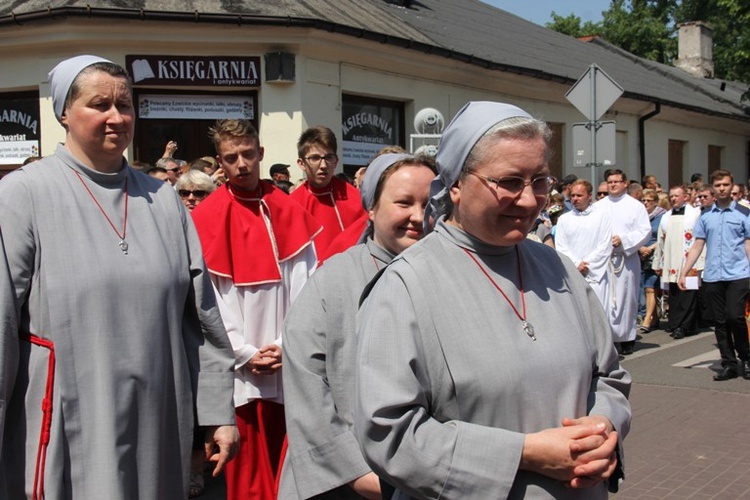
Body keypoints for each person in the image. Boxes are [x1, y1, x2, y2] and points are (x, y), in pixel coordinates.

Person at [354, 101, 631, 499]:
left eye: (539, 181)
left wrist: (605, 430)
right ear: (455, 185)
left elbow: (609, 377)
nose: (530, 200)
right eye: (509, 182)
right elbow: (388, 433)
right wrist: (524, 454)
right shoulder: (405, 286)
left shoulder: (560, 269)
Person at [0, 55, 238, 499]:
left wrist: (217, 412)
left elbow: (202, 321)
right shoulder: (23, 195)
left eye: (124, 105)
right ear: (64, 114)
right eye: (99, 105)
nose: (116, 117)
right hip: (66, 423)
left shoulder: (163, 200)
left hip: (158, 423)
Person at [279, 153, 437, 499]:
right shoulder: (333, 279)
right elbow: (306, 383)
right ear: (371, 208)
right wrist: (353, 471)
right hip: (344, 481)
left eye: (429, 203)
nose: (418, 216)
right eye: (404, 203)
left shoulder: (449, 276)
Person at [191, 119, 321, 499]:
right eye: (232, 158)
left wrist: (286, 344)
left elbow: (307, 287)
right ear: (220, 162)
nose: (242, 163)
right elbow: (208, 299)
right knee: (245, 475)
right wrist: (243, 353)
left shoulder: (288, 210)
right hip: (238, 372)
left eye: (248, 154)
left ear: (261, 153)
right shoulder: (207, 216)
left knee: (290, 469)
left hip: (287, 364)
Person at [679, 169, 750, 381]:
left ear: (732, 186)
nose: (722, 189)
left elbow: (748, 244)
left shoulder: (744, 213)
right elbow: (697, 245)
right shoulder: (705, 216)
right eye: (718, 185)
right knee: (719, 322)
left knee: (734, 316)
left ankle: (745, 358)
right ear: (713, 188)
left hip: (738, 274)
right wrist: (684, 271)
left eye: (726, 185)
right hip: (713, 276)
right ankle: (728, 363)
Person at [597, 169, 651, 355]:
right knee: (606, 298)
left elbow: (645, 231)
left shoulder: (635, 206)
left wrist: (624, 240)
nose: (613, 185)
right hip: (604, 260)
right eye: (610, 181)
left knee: (626, 297)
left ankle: (627, 337)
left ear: (625, 183)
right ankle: (609, 337)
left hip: (626, 259)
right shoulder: (599, 206)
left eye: (617, 181)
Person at [290, 126, 367, 255]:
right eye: (315, 158)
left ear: (336, 161)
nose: (323, 165)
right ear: (301, 163)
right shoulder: (292, 204)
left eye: (329, 157)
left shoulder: (355, 198)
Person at [653, 185, 703, 339]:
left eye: (676, 196)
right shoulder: (666, 217)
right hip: (670, 261)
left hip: (689, 260)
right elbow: (660, 241)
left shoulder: (694, 215)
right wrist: (657, 262)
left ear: (685, 197)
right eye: (671, 196)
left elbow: (700, 240)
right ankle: (675, 323)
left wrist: (700, 263)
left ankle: (685, 326)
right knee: (673, 294)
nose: (673, 198)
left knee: (688, 294)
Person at [555, 179, 613, 311]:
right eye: (573, 195)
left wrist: (587, 264)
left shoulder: (601, 216)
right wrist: (576, 264)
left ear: (589, 196)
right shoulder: (564, 219)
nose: (575, 199)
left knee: (597, 313)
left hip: (595, 275)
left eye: (579, 195)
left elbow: (605, 244)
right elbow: (561, 246)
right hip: (572, 274)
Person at [636, 189, 666, 333]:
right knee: (644, 287)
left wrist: (651, 248)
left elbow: (663, 235)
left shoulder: (662, 216)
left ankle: (647, 318)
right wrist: (641, 247)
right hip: (641, 254)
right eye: (644, 200)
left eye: (649, 200)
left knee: (651, 287)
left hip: (655, 254)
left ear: (655, 202)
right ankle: (653, 318)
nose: (646, 203)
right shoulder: (640, 216)